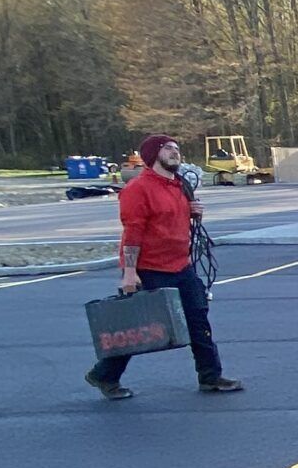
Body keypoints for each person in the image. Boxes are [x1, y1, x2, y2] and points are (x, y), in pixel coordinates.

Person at [86, 134, 244, 400]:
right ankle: (104, 375)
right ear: (152, 155)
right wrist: (130, 272)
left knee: (198, 319)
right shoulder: (138, 189)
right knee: (140, 326)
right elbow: (132, 233)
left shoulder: (179, 184)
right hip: (149, 268)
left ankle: (211, 377)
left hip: (181, 265)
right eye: (167, 148)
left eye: (176, 149)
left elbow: (179, 220)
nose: (175, 152)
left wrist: (194, 212)